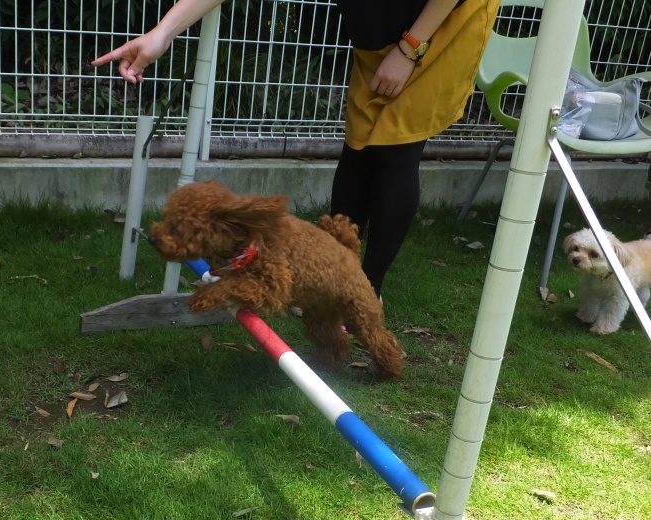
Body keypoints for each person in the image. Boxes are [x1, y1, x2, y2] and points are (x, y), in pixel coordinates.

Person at [93, 0, 499, 299]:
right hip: (383, 33)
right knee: (359, 146)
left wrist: (409, 48)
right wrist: (162, 33)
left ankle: (366, 289)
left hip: (441, 24)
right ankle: (336, 273)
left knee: (395, 148)